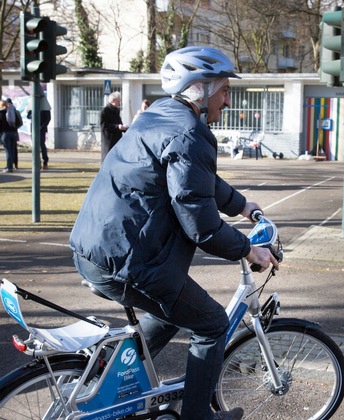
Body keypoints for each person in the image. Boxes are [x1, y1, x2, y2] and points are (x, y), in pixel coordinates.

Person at [70, 46, 278, 420]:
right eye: (224, 90)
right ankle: (198, 417)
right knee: (212, 324)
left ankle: (109, 376)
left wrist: (242, 205)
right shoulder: (190, 133)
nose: (227, 100)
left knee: (170, 312)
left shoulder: (160, 117)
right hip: (128, 259)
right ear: (200, 89)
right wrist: (249, 250)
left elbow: (197, 181)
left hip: (96, 247)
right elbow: (201, 227)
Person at [99, 91, 128, 162]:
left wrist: (125, 128)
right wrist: (117, 127)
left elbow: (119, 123)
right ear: (113, 100)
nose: (119, 103)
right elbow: (104, 125)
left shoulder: (116, 111)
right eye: (118, 101)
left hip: (117, 141)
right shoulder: (105, 111)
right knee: (108, 160)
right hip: (108, 141)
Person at [27, 95, 52, 169]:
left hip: (41, 129)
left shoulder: (45, 107)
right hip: (34, 129)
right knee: (35, 146)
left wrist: (42, 127)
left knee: (42, 145)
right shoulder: (33, 106)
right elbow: (28, 115)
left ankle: (45, 161)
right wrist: (32, 115)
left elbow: (48, 118)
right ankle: (37, 162)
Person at [0, 99, 20, 173]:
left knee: (8, 151)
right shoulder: (13, 112)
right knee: (12, 150)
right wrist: (14, 128)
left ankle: (9, 167)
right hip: (14, 133)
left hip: (5, 134)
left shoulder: (1, 113)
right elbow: (18, 122)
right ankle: (10, 166)